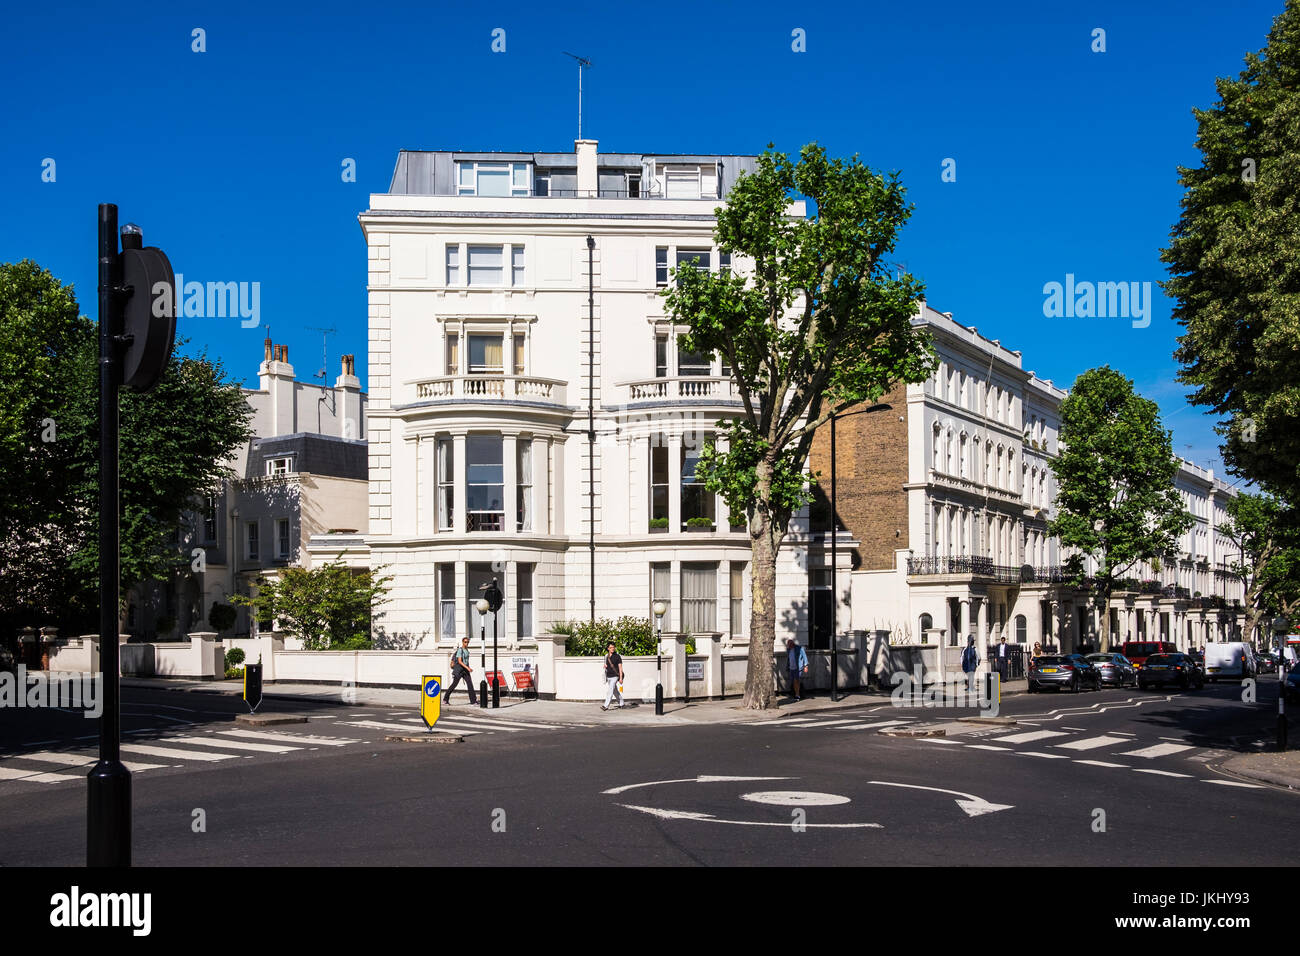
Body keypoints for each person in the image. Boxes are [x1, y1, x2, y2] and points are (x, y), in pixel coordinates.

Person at [444, 636, 477, 705]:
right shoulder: (460, 650)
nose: (466, 643)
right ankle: (445, 699)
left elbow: (466, 661)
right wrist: (468, 668)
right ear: (462, 642)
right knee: (454, 685)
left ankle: (473, 701)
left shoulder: (467, 650)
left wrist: (468, 667)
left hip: (465, 670)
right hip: (459, 670)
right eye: (465, 642)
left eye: (467, 642)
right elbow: (460, 661)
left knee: (470, 684)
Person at [602, 641, 624, 711]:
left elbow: (620, 668)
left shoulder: (617, 656)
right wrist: (605, 666)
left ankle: (606, 705)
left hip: (615, 676)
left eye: (613, 647)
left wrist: (620, 678)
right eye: (611, 647)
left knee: (610, 690)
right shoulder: (606, 656)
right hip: (608, 676)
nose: (612, 649)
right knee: (615, 691)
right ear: (608, 648)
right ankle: (621, 703)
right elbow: (605, 665)